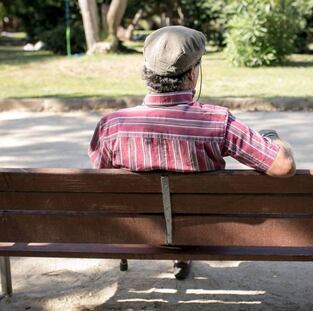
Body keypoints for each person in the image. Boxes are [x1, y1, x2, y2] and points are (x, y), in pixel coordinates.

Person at [88, 26, 296, 279]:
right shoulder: (218, 121)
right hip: (205, 229)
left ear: (147, 71)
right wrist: (273, 139)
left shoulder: (112, 125)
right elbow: (283, 166)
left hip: (139, 228)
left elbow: (106, 183)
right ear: (192, 74)